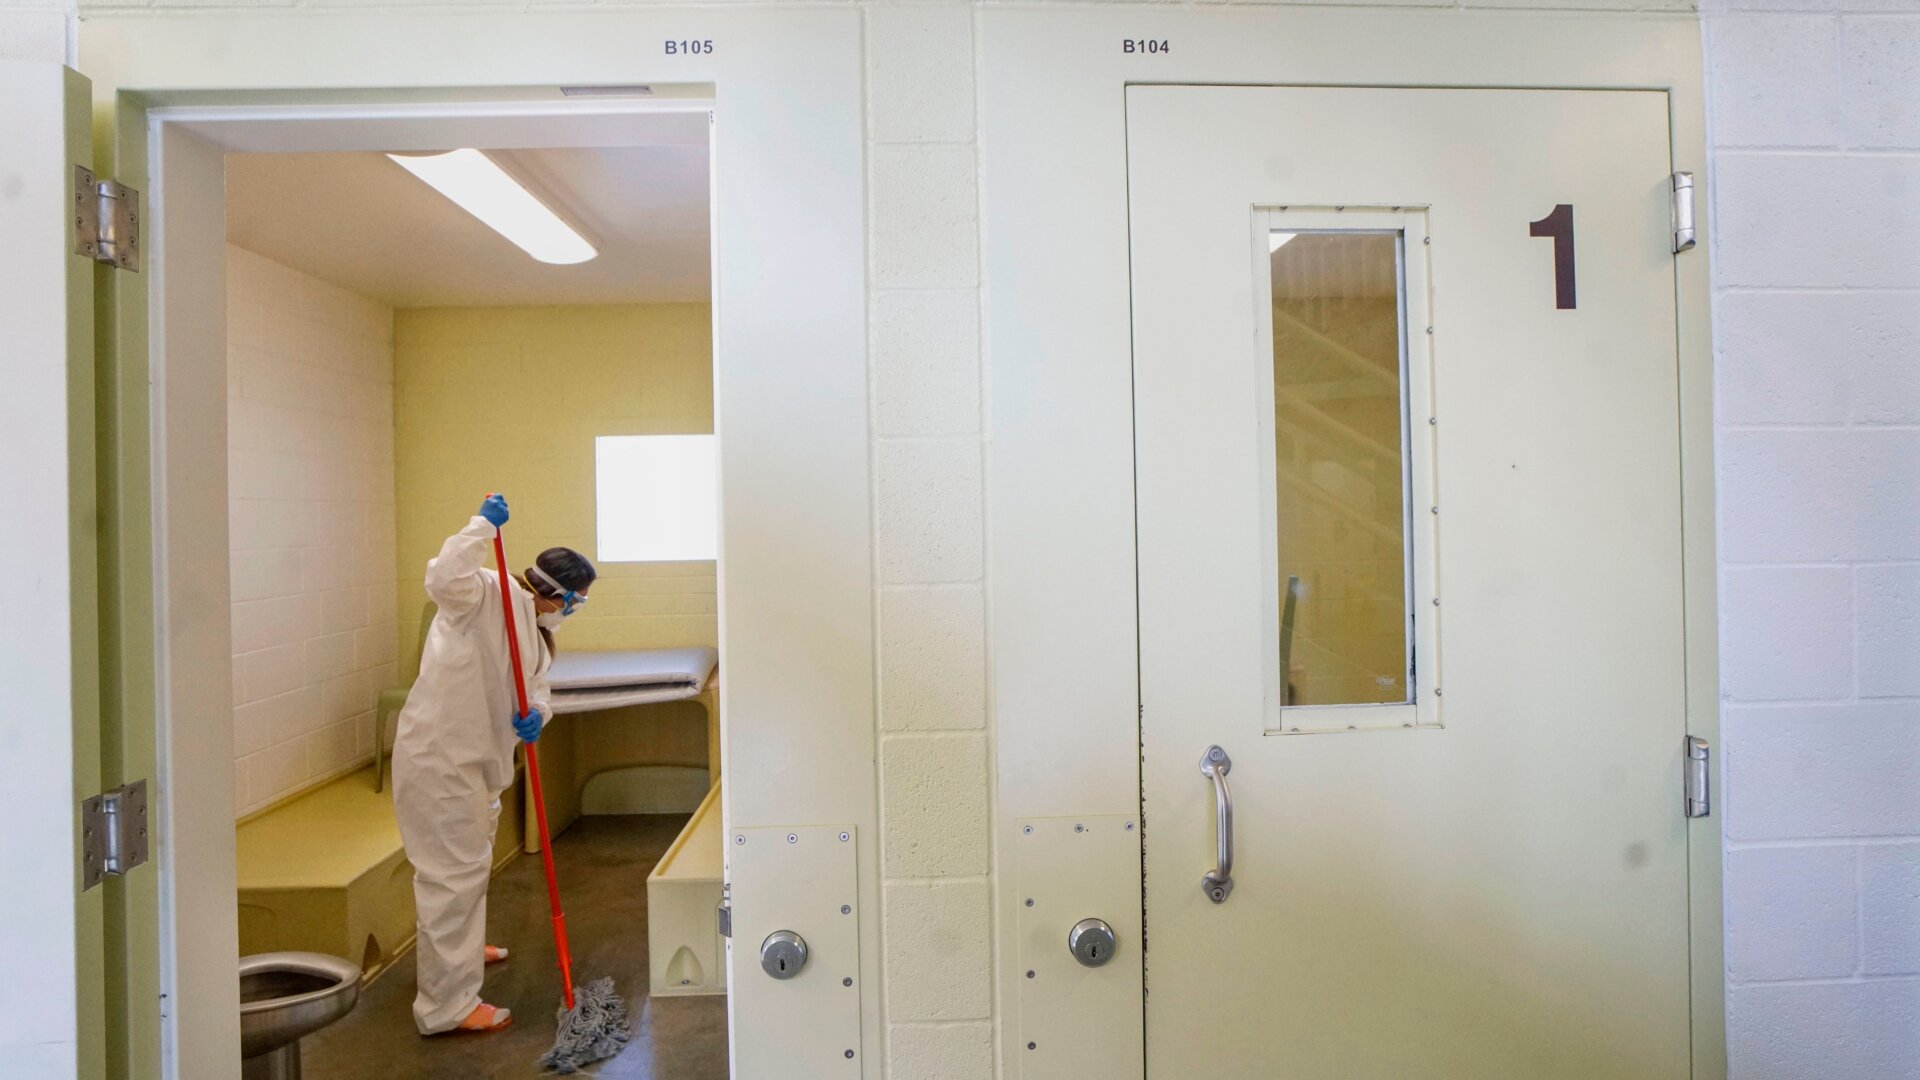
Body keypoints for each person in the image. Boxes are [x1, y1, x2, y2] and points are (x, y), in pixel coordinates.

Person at [390, 494, 597, 1035]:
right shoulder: (487, 590)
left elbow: (536, 687)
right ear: (561, 593)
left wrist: (540, 714)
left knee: (466, 869)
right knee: (451, 879)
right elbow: (442, 578)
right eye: (578, 599)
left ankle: (457, 951)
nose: (577, 609)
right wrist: (481, 526)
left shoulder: (537, 627)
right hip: (441, 759)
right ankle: (447, 1007)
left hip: (479, 763)